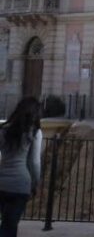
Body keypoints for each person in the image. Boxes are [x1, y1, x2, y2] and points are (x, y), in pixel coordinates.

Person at [0, 97, 42, 237]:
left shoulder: (4, 130)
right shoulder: (35, 132)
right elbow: (35, 162)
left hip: (2, 182)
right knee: (10, 225)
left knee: (5, 224)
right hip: (21, 184)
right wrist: (35, 183)